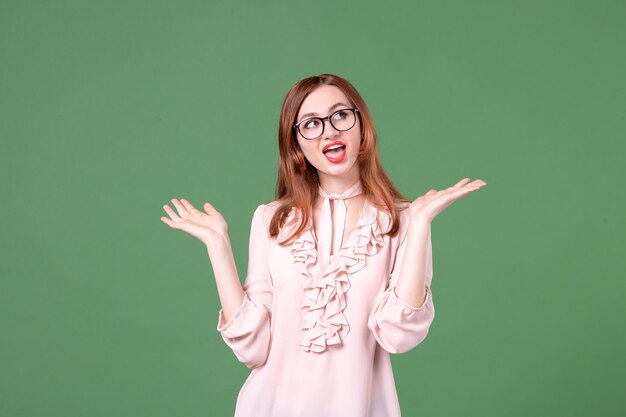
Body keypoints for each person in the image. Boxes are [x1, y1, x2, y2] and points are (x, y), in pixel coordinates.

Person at [160, 73, 487, 417]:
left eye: (340, 115)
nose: (329, 130)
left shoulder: (403, 219)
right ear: (296, 143)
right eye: (311, 124)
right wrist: (218, 245)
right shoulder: (271, 220)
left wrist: (419, 224)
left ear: (361, 125)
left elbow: (398, 335)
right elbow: (253, 348)